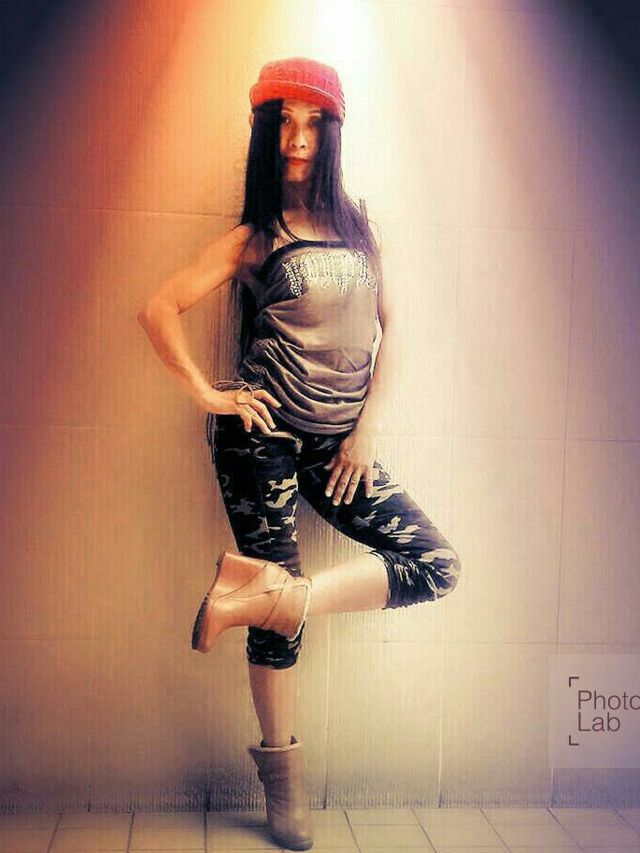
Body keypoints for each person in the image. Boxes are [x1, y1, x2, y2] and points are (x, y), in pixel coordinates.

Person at [138, 56, 462, 852]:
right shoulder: (256, 239)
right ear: (266, 132)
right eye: (283, 121)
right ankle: (285, 790)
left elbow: (393, 328)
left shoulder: (360, 229)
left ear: (332, 132)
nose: (297, 137)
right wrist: (210, 394)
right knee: (280, 629)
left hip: (338, 446)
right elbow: (158, 308)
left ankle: (255, 595)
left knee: (434, 563)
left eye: (313, 122)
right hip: (263, 439)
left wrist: (366, 428)